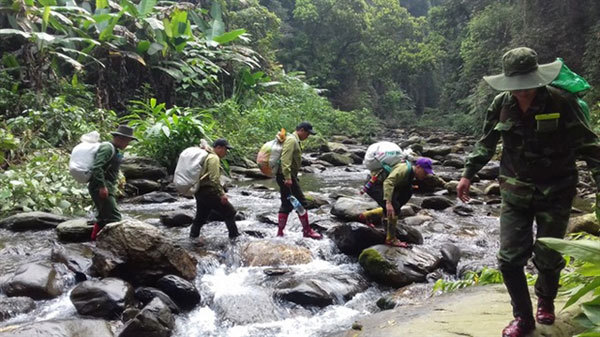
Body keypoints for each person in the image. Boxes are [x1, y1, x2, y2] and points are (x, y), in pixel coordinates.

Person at [457, 47, 600, 337]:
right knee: (509, 259)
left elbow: (589, 147)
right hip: (514, 190)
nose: (522, 92)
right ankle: (522, 317)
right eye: (516, 87)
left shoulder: (563, 102)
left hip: (556, 190)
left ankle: (545, 301)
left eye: (527, 85)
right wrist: (467, 175)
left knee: (548, 254)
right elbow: (486, 143)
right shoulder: (501, 103)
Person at [360, 157, 434, 247]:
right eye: (425, 172)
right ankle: (390, 239)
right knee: (393, 207)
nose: (426, 175)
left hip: (382, 184)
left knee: (405, 195)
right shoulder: (405, 169)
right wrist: (388, 202)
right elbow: (388, 182)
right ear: (418, 167)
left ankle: (367, 216)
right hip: (374, 184)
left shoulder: (411, 173)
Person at [89, 125, 136, 240]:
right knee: (115, 218)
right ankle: (116, 245)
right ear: (121, 138)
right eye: (128, 142)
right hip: (101, 188)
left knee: (103, 218)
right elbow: (97, 167)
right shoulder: (107, 148)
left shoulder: (114, 150)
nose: (128, 144)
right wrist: (102, 187)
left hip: (106, 187)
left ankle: (93, 243)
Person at [276, 122, 322, 239]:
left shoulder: (293, 140)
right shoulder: (292, 140)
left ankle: (280, 232)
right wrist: (287, 177)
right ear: (301, 130)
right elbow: (285, 159)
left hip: (285, 176)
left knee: (286, 204)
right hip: (287, 176)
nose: (308, 136)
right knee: (301, 202)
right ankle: (307, 231)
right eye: (307, 133)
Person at [189, 138, 240, 240]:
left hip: (200, 191)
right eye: (226, 149)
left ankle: (193, 238)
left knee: (200, 217)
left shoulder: (207, 155)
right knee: (230, 212)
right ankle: (235, 238)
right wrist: (221, 194)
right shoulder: (213, 158)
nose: (226, 152)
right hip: (208, 191)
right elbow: (214, 179)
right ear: (218, 148)